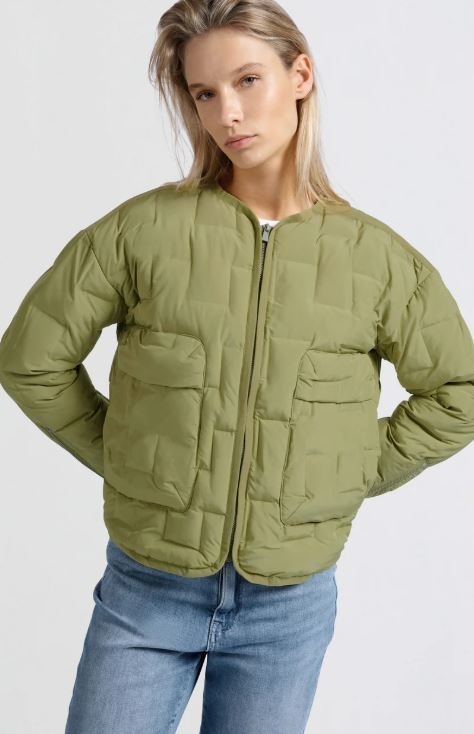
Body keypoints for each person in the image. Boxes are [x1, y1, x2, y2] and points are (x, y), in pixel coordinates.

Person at [0, 1, 473, 733]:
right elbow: (31, 360)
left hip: (289, 607)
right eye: (205, 93)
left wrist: (346, 472)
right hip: (146, 591)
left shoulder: (377, 260)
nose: (228, 113)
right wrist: (130, 456)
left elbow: (458, 391)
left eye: (248, 80)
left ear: (300, 75)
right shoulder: (141, 231)